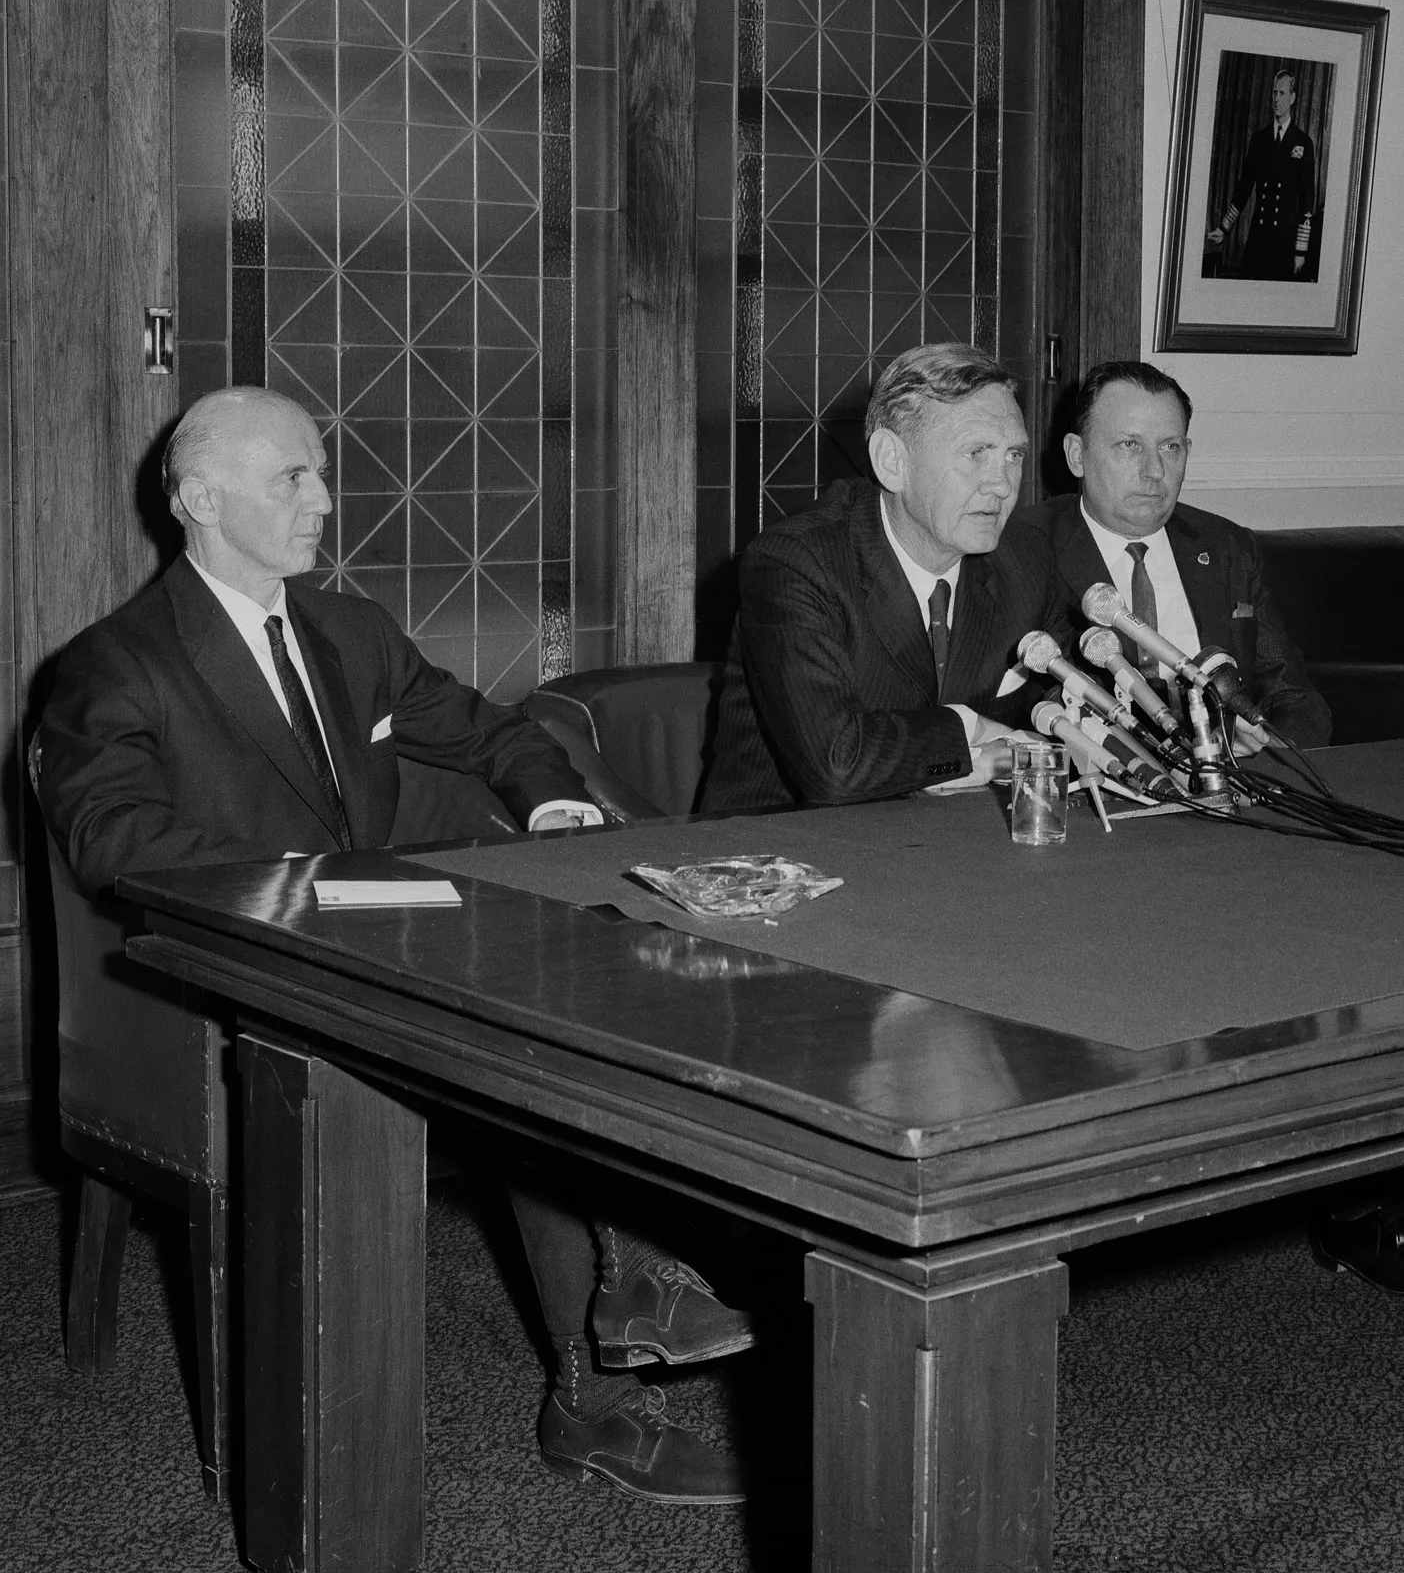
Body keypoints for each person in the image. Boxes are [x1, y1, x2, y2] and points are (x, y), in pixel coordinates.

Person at [38, 386, 750, 1504]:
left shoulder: (351, 631)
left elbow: (491, 731)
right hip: (230, 991)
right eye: (293, 478)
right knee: (526, 1043)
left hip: (372, 960)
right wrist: (317, 886)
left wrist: (553, 804)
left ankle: (616, 1340)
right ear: (197, 499)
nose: (325, 499)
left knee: (563, 1002)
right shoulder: (112, 667)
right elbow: (112, 837)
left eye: (321, 472)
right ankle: (619, 1339)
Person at [702, 343, 1071, 813]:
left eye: (1014, 456)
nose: (1002, 484)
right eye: (976, 452)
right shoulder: (795, 564)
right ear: (892, 461)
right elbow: (836, 766)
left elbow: (1075, 699)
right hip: (783, 853)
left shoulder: (1027, 558)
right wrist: (964, 734)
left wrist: (1065, 719)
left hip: (960, 850)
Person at [1017, 360, 1331, 751]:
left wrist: (1269, 755)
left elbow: (1294, 697)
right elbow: (1019, 705)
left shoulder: (1227, 547)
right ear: (1077, 455)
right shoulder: (1024, 548)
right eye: (1129, 446)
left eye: (1170, 447)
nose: (1154, 470)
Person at [1207, 69, 1316, 281]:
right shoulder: (1259, 139)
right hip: (1258, 238)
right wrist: (1224, 228)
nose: (1276, 99)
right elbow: (1244, 187)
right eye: (1274, 93)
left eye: (1282, 93)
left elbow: (1307, 199)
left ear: (1292, 98)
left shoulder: (1303, 142)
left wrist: (1300, 251)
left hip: (1285, 242)